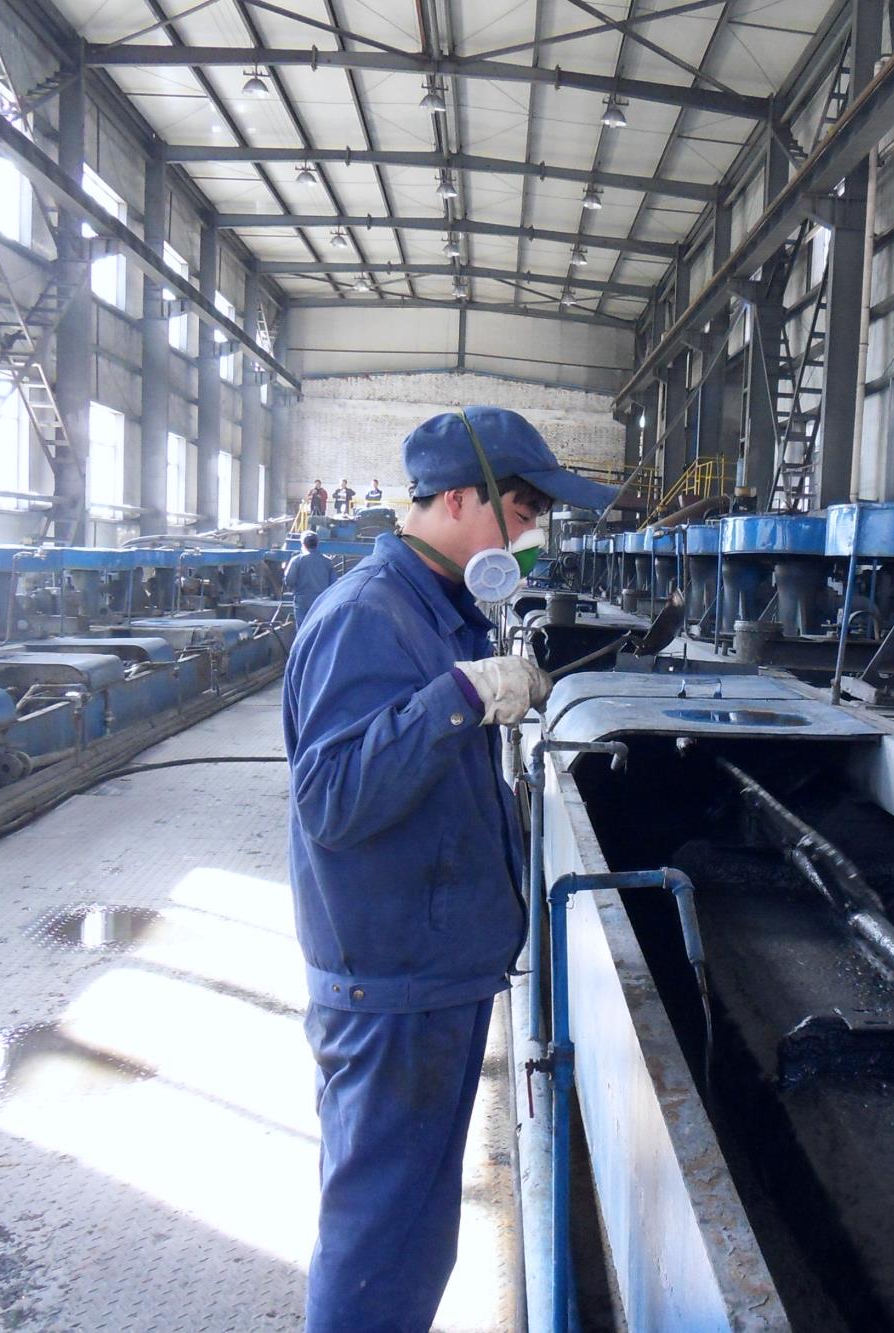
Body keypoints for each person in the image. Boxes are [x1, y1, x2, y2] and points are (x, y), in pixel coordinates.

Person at [282, 406, 618, 1333]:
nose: (531, 538)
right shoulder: (366, 616)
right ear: (461, 499)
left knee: (413, 1238)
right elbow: (332, 800)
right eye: (524, 513)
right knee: (380, 1245)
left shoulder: (436, 610)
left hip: (431, 972)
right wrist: (460, 696)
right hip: (392, 988)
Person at [283, 531, 336, 622]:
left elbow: (289, 580)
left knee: (303, 627)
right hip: (321, 600)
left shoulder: (296, 560)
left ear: (303, 544)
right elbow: (333, 584)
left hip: (302, 600)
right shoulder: (327, 561)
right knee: (318, 625)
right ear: (317, 544)